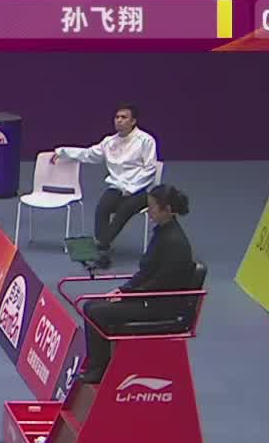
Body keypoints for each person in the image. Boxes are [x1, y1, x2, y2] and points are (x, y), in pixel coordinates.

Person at [78, 184, 199, 383]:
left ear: (167, 210)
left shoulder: (175, 243)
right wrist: (123, 290)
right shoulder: (162, 232)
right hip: (149, 298)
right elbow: (146, 273)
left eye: (152, 207)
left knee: (97, 312)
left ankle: (99, 370)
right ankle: (99, 363)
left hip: (160, 306)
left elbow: (161, 283)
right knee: (91, 306)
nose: (148, 211)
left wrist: (128, 295)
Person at [54, 104, 159, 268]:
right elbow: (88, 154)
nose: (119, 120)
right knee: (102, 208)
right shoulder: (109, 142)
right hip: (117, 187)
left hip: (140, 189)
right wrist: (62, 151)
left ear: (133, 121)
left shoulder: (146, 141)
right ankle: (103, 248)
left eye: (124, 117)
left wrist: (131, 188)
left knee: (124, 210)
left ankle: (101, 247)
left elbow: (150, 169)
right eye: (117, 117)